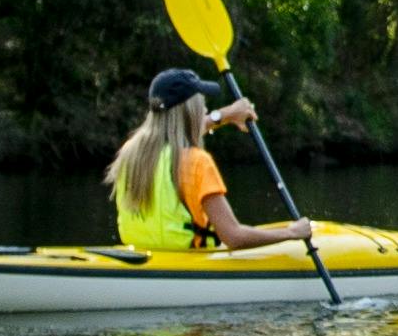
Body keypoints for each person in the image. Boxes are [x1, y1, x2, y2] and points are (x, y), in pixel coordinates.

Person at [107, 68, 318, 253]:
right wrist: (291, 233)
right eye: (202, 105)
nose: (206, 110)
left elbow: (177, 132)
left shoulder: (131, 152)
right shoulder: (197, 162)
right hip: (189, 261)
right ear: (190, 111)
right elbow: (233, 237)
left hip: (146, 255)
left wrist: (227, 114)